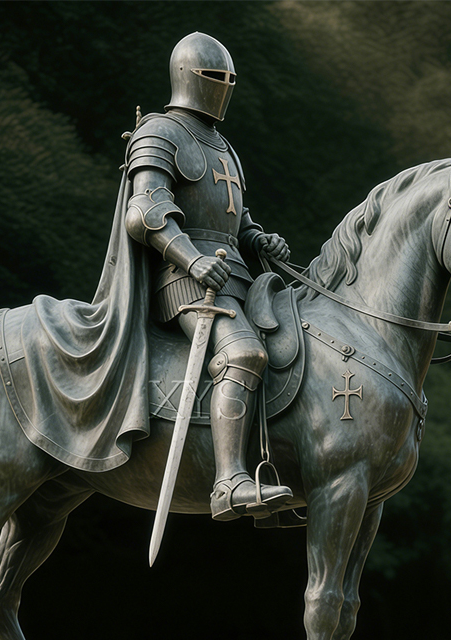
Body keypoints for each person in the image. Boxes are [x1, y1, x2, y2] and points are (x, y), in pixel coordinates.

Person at [124, 32, 293, 521]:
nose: (223, 86)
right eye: (214, 76)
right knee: (243, 354)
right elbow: (145, 211)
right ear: (187, 76)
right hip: (184, 280)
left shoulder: (224, 146)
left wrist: (259, 240)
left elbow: (234, 218)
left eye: (229, 78)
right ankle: (228, 483)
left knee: (294, 353)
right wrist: (192, 260)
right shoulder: (160, 131)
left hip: (238, 280)